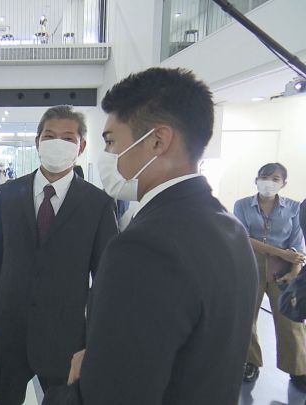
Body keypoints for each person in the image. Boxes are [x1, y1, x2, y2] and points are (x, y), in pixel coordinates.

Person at [63, 68, 258, 405]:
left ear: (157, 141)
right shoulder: (229, 227)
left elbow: (113, 394)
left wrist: (81, 379)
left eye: (111, 141)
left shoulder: (145, 247)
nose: (106, 155)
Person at [0, 105, 118, 404]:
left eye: (68, 138)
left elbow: (106, 278)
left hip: (65, 335)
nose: (57, 143)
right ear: (37, 141)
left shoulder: (98, 204)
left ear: (81, 147)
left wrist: (97, 337)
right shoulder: (8, 194)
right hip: (9, 327)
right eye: (50, 136)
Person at [233, 163, 306, 389]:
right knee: (246, 318)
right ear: (256, 180)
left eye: (275, 179)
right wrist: (281, 253)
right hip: (250, 266)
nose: (269, 182)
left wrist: (293, 272)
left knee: (291, 321)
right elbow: (243, 237)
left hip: (283, 269)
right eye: (264, 177)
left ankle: (298, 370)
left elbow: (297, 245)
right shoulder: (242, 205)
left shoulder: (294, 208)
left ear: (284, 183)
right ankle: (250, 362)